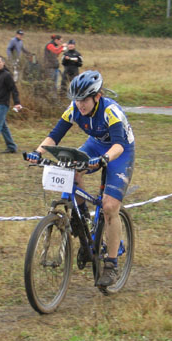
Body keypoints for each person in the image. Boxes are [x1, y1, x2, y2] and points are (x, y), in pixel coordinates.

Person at [26, 71, 135, 287]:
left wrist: (104, 159)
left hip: (120, 150)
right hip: (95, 144)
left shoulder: (110, 111)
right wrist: (38, 152)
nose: (80, 104)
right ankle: (83, 219)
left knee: (110, 206)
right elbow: (55, 135)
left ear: (97, 96)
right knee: (72, 169)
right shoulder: (74, 109)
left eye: (85, 99)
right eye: (77, 99)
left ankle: (111, 265)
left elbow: (119, 145)